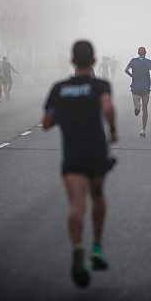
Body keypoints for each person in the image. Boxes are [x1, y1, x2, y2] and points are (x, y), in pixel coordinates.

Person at [41, 40, 117, 288]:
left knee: (76, 203)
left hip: (72, 154)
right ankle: (97, 247)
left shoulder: (58, 88)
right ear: (94, 60)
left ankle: (77, 249)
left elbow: (46, 123)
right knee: (98, 195)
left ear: (72, 61)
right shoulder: (100, 85)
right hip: (96, 152)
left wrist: (62, 116)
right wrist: (113, 130)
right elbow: (107, 106)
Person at [124, 46, 151, 137]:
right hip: (145, 87)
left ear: (138, 53)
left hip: (135, 85)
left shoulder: (133, 61)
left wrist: (131, 75)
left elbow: (126, 70)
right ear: (145, 53)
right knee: (145, 109)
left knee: (135, 98)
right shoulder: (148, 62)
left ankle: (137, 105)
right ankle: (143, 129)